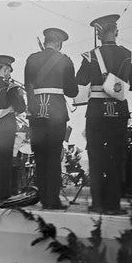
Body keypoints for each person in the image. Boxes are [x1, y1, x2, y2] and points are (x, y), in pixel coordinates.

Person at [76, 14, 132, 215]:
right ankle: (113, 205)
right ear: (116, 32)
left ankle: (97, 203)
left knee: (95, 157)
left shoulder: (90, 55)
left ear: (98, 33)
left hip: (95, 112)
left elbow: (80, 79)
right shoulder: (129, 54)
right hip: (119, 112)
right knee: (116, 157)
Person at [24, 28, 78, 210]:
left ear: (46, 41)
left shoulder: (31, 59)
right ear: (59, 43)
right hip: (56, 111)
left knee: (39, 156)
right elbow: (72, 91)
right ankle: (52, 200)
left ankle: (43, 196)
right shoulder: (65, 60)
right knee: (54, 156)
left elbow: (27, 87)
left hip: (36, 111)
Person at [0, 55, 26, 207]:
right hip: (6, 128)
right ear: (6, 69)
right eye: (9, 70)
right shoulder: (11, 87)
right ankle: (3, 195)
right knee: (5, 161)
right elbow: (22, 108)